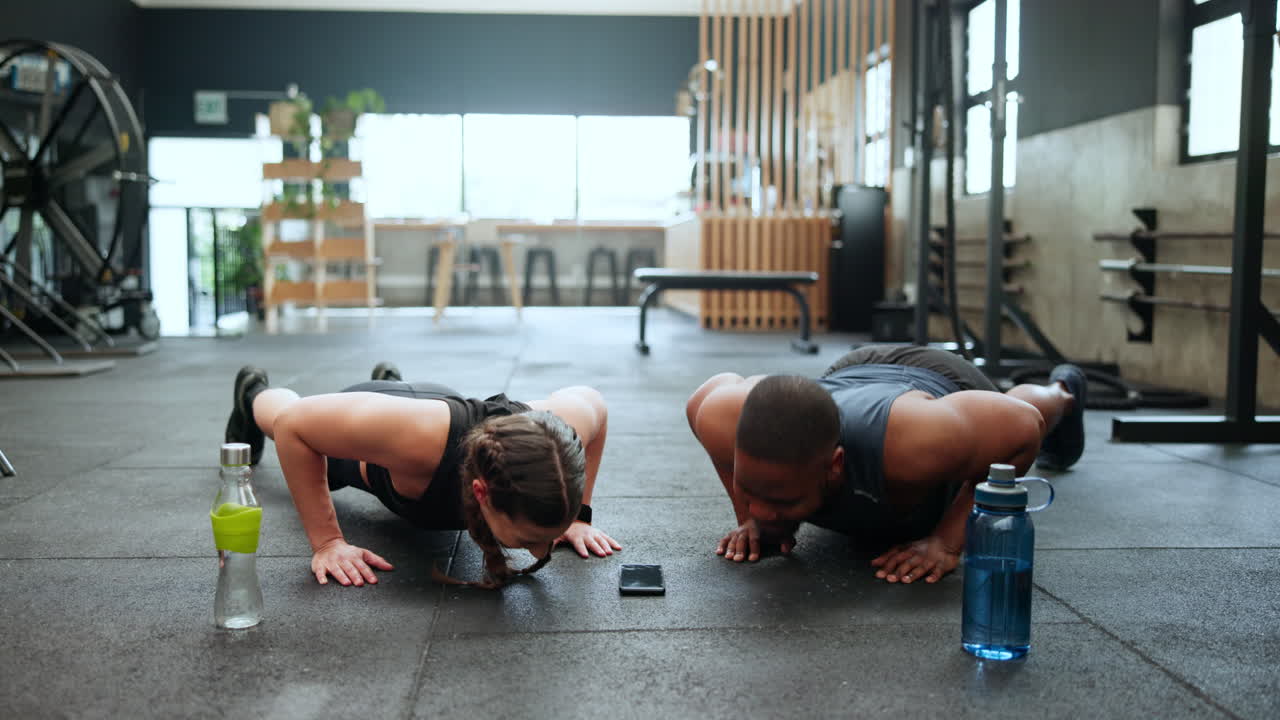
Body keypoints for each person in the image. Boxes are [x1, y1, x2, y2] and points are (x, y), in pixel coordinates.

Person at [685, 345, 1087, 584]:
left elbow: (1022, 426)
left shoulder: (916, 444)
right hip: (849, 374)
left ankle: (1064, 390)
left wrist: (948, 542)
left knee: (1025, 403)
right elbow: (705, 397)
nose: (761, 508)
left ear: (835, 466)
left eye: (781, 500)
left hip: (937, 379)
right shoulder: (722, 421)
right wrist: (751, 521)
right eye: (750, 491)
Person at [224, 362, 620, 589]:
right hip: (400, 426)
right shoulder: (420, 446)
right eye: (529, 539)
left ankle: (393, 380)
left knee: (396, 414)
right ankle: (253, 392)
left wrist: (575, 517)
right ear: (481, 493)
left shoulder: (561, 433)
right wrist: (328, 541)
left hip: (426, 407)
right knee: (284, 424)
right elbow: (296, 425)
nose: (539, 553)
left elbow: (595, 404)